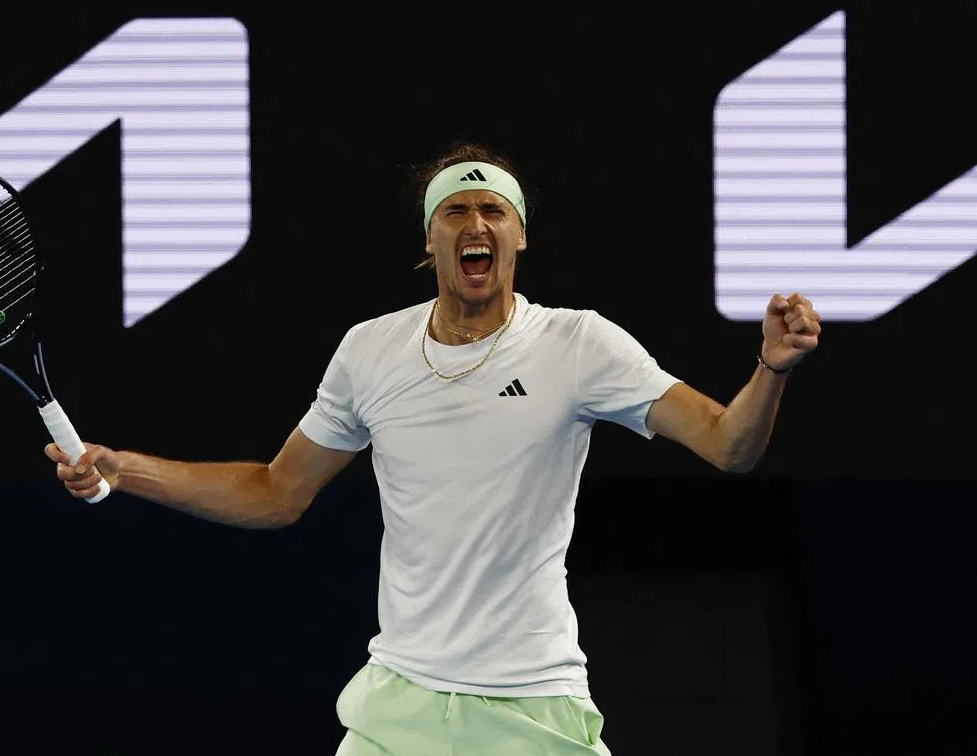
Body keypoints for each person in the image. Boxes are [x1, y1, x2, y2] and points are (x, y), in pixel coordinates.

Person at [44, 141, 821, 755]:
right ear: (430, 238)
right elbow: (277, 492)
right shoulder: (369, 352)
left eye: (492, 209)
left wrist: (771, 370)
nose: (475, 223)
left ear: (519, 234)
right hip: (401, 704)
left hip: (532, 701)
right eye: (455, 211)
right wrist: (125, 469)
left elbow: (729, 445)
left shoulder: (579, 344)